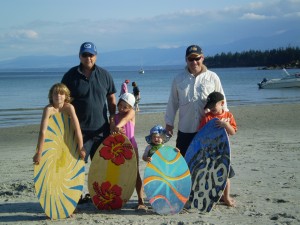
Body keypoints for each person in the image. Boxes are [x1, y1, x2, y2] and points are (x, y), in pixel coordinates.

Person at [61, 42, 117, 203]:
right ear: (79, 56)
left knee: (100, 166)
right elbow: (62, 100)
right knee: (77, 166)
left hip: (102, 130)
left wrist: (113, 118)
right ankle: (75, 196)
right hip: (80, 132)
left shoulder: (105, 75)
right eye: (85, 55)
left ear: (96, 56)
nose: (88, 58)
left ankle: (98, 195)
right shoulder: (70, 75)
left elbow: (111, 98)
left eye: (91, 55)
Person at [165, 44, 228, 157]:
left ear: (202, 58)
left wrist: (225, 120)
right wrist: (169, 124)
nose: (194, 62)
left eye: (197, 58)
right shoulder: (178, 79)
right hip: (185, 130)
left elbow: (222, 100)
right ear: (186, 60)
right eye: (190, 59)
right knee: (184, 163)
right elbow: (173, 103)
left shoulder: (213, 77)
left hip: (208, 129)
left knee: (208, 162)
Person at [198, 91, 237, 207]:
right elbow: (201, 134)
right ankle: (213, 196)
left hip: (223, 151)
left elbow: (233, 132)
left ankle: (226, 197)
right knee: (211, 175)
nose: (211, 108)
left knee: (226, 175)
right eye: (209, 106)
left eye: (213, 105)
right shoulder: (207, 117)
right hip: (210, 152)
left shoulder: (228, 116)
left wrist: (225, 125)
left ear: (222, 103)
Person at [33, 83, 86, 164]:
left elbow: (77, 128)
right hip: (51, 140)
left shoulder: (69, 108)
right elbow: (43, 132)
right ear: (51, 95)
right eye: (55, 93)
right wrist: (39, 152)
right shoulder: (48, 109)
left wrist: (81, 147)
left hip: (68, 139)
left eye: (61, 93)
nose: (58, 95)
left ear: (66, 96)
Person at [111, 93, 147, 210]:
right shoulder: (113, 117)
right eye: (120, 105)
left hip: (132, 146)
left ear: (130, 107)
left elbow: (126, 120)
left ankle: (141, 200)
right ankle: (118, 199)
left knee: (135, 173)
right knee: (119, 173)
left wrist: (118, 126)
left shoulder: (131, 113)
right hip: (118, 148)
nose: (122, 109)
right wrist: (115, 129)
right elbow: (111, 131)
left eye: (125, 107)